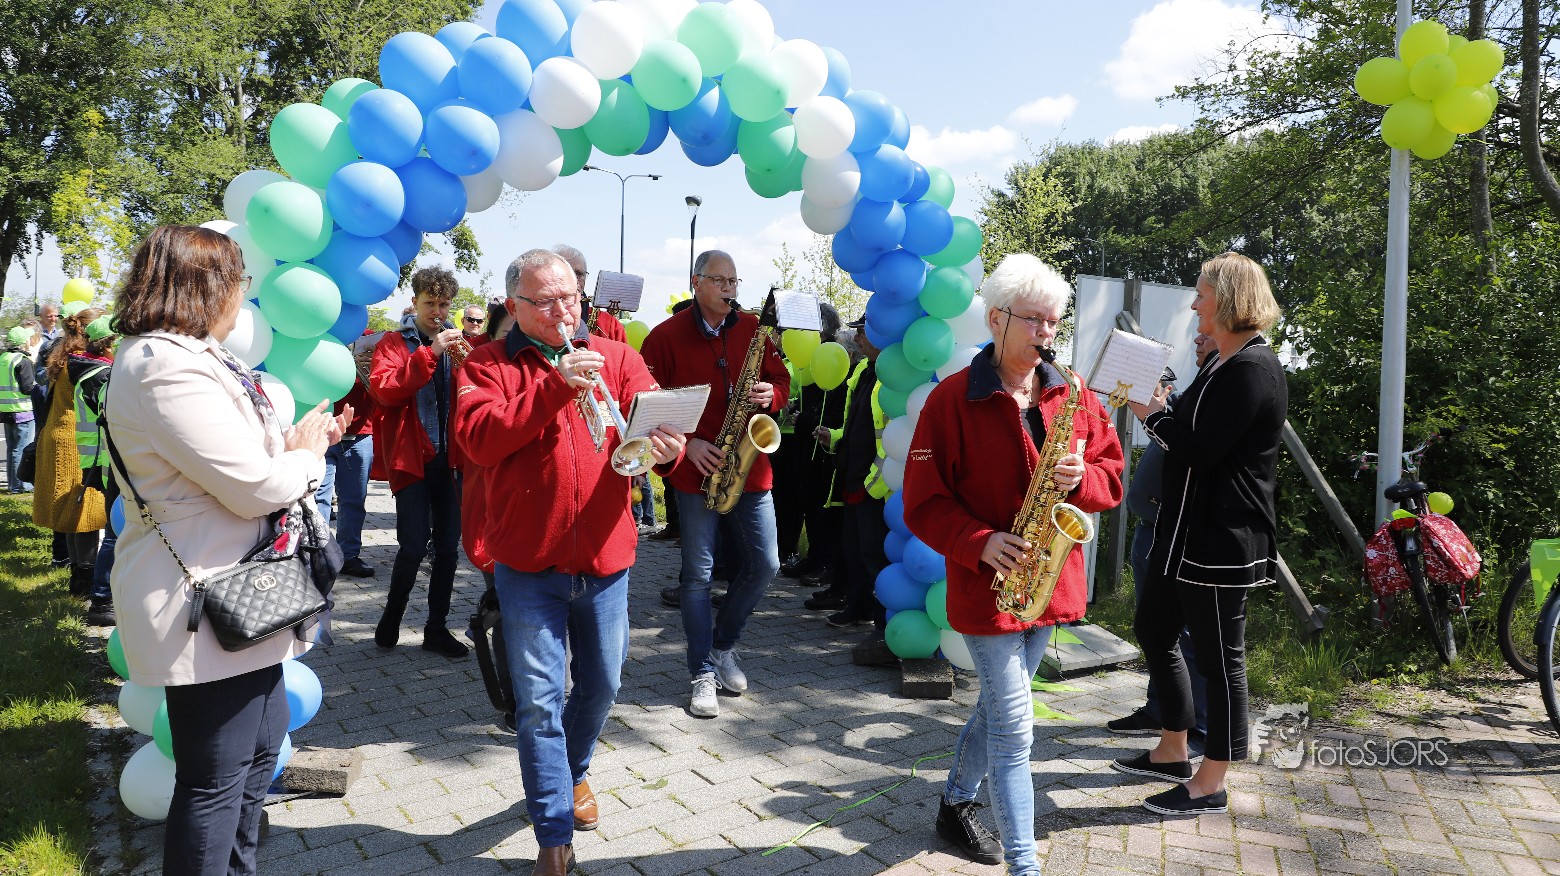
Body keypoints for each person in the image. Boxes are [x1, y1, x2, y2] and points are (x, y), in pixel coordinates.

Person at [104, 225, 346, 876]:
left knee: (257, 754)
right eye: (240, 281)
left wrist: (291, 445)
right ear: (206, 287)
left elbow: (235, 465)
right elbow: (252, 487)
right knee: (215, 781)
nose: (244, 295)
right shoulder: (165, 365)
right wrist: (306, 460)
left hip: (236, 597)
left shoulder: (188, 356)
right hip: (202, 600)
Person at [454, 249, 685, 876]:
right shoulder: (486, 363)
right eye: (547, 301)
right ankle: (553, 838)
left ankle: (572, 770)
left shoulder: (617, 355)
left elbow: (650, 427)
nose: (564, 311)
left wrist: (667, 445)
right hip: (528, 564)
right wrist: (555, 386)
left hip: (606, 559)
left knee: (603, 685)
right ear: (516, 306)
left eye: (571, 297)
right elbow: (479, 440)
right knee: (538, 702)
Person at [902, 254, 1123, 874]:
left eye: (1053, 322)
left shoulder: (1073, 392)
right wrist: (978, 541)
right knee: (1016, 727)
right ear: (996, 318)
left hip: (1047, 583)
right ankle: (1025, 864)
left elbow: (1111, 474)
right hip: (986, 586)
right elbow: (923, 502)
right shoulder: (950, 400)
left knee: (1003, 705)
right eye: (1033, 320)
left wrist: (1083, 479)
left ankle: (955, 802)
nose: (1046, 334)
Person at [1112, 252, 1286, 816]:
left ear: (1229, 300)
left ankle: (1211, 783)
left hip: (1219, 541)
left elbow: (1200, 450)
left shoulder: (1252, 368)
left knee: (1219, 661)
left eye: (1202, 295)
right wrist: (1162, 404)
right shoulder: (1222, 364)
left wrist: (1151, 414)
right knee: (1154, 629)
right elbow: (1191, 427)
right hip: (1182, 531)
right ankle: (1172, 749)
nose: (1193, 305)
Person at [640, 250, 789, 718]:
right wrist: (687, 445)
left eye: (734, 281)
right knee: (698, 575)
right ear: (696, 282)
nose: (729, 289)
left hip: (749, 469)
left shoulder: (754, 330)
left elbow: (781, 382)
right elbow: (645, 405)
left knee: (765, 564)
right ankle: (701, 669)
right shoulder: (664, 337)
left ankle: (723, 646)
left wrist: (772, 393)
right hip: (695, 471)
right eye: (720, 280)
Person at [1108, 333, 1217, 740]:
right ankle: (1161, 709)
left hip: (1170, 534)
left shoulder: (1192, 411)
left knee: (1178, 635)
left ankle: (1197, 725)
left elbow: (1187, 448)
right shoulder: (1177, 413)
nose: (1198, 339)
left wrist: (1155, 405)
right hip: (1150, 531)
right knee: (1155, 631)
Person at [368, 266, 469, 658]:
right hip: (412, 460)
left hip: (452, 462)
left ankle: (436, 629)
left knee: (448, 550)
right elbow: (386, 391)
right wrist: (431, 353)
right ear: (414, 302)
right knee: (412, 547)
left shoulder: (460, 344)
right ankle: (392, 616)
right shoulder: (394, 343)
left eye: (444, 304)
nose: (437, 312)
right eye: (430, 303)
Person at [815, 320, 893, 659]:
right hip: (852, 477)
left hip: (876, 484)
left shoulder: (893, 373)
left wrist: (874, 480)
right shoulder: (862, 369)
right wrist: (833, 437)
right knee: (854, 551)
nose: (857, 338)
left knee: (875, 557)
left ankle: (883, 626)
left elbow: (893, 434)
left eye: (862, 331)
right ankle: (858, 606)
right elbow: (855, 424)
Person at [33, 301, 108, 597]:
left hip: (58, 436)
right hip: (75, 442)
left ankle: (77, 578)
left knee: (72, 513)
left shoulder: (64, 354)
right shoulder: (83, 361)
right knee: (85, 512)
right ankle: (84, 583)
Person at [316, 329, 378, 579]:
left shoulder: (371, 337)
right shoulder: (318, 336)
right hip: (321, 430)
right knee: (319, 499)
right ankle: (319, 555)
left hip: (359, 434)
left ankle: (348, 555)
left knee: (353, 500)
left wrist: (373, 363)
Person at [75, 315, 118, 626]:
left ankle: (103, 597)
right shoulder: (103, 377)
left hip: (99, 461)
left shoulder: (86, 374)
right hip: (108, 463)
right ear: (109, 344)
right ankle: (102, 599)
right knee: (115, 534)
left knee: (115, 532)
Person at [552, 244, 627, 343]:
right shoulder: (538, 321)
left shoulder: (610, 325)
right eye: (566, 272)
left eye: (579, 274)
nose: (574, 280)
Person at [1, 326, 38, 493]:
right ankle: (20, 485)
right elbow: (27, 388)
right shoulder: (23, 360)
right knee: (22, 449)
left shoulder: (3, 358)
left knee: (11, 449)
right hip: (23, 410)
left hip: (6, 409)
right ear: (24, 341)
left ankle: (12, 484)